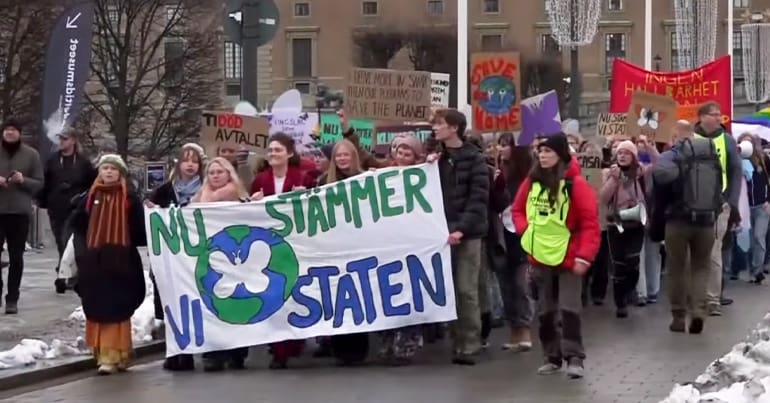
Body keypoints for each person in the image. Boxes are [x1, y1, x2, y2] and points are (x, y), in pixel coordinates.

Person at [512, 133, 600, 379]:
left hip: (569, 258)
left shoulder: (576, 185)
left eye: (548, 151)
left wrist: (584, 256)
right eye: (540, 151)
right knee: (545, 311)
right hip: (540, 257)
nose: (542, 155)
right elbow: (517, 209)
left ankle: (574, 357)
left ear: (560, 154)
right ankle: (552, 356)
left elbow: (590, 224)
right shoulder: (531, 182)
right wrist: (526, 232)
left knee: (569, 308)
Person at [68, 154, 146, 375]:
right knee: (97, 307)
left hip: (121, 260)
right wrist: (83, 254)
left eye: (113, 168)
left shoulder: (129, 198)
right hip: (94, 261)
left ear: (120, 173)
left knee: (117, 308)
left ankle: (116, 354)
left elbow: (140, 233)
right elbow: (77, 226)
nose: (109, 172)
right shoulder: (89, 197)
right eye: (105, 168)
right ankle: (103, 353)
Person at [250, 133, 314, 369]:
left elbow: (315, 208)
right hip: (270, 245)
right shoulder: (260, 180)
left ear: (289, 153)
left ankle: (294, 342)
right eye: (271, 150)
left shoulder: (302, 177)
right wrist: (253, 201)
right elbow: (248, 211)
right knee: (275, 292)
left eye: (278, 150)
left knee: (295, 291)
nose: (273, 154)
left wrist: (304, 197)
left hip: (297, 244)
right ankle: (278, 349)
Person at [430, 108, 489, 365]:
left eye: (440, 124)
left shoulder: (474, 159)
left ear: (454, 128)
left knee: (466, 289)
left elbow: (478, 199)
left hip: (468, 234)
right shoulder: (436, 159)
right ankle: (456, 340)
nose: (435, 128)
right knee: (450, 289)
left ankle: (470, 342)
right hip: (442, 232)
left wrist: (461, 229)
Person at [651, 134, 721, 334]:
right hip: (706, 222)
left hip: (677, 222)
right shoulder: (712, 162)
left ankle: (678, 317)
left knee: (676, 269)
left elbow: (660, 188)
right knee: (701, 268)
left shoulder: (674, 160)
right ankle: (699, 311)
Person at [145, 143, 206, 372]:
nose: (190, 165)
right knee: (171, 302)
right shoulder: (164, 190)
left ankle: (189, 350)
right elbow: (152, 217)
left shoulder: (206, 189)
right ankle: (175, 350)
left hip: (193, 257)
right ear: (178, 164)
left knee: (191, 301)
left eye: (195, 161)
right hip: (170, 257)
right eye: (186, 160)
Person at [191, 157, 250, 371]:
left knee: (235, 304)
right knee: (213, 305)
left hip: (235, 257)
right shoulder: (199, 198)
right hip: (210, 259)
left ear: (228, 174)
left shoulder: (239, 197)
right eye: (211, 172)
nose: (215, 176)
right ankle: (214, 352)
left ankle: (236, 352)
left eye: (219, 172)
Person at [316, 139, 370, 366]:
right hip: (334, 248)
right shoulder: (322, 182)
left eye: (346, 155)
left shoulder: (365, 179)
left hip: (359, 246)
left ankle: (359, 347)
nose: (342, 159)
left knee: (360, 295)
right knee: (338, 297)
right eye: (338, 156)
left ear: (354, 156)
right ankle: (338, 346)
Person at [378, 135, 426, 365]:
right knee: (390, 291)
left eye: (408, 154)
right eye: (400, 153)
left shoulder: (425, 176)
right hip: (390, 244)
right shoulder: (382, 176)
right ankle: (388, 339)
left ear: (416, 157)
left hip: (413, 243)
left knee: (410, 292)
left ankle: (408, 341)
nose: (403, 157)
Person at [693, 101, 741, 316]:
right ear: (702, 117)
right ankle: (695, 296)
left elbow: (735, 171)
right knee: (693, 252)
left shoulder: (727, 140)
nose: (719, 117)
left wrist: (731, 201)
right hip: (692, 204)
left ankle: (713, 299)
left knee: (714, 253)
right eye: (714, 114)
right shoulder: (690, 140)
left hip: (718, 204)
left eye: (719, 114)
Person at [37, 127, 97, 294]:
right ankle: (65, 273)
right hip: (57, 207)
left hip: (76, 207)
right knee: (60, 241)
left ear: (73, 140)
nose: (62, 142)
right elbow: (45, 182)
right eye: (60, 139)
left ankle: (68, 274)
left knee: (73, 240)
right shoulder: (53, 161)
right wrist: (41, 200)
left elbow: (92, 183)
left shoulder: (83, 162)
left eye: (65, 139)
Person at [0, 118, 44, 314]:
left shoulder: (31, 154)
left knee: (17, 257)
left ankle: (12, 298)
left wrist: (22, 180)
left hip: (19, 212)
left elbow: (39, 183)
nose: (9, 133)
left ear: (19, 133)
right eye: (6, 129)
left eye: (13, 130)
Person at [599, 140, 647, 318]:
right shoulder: (609, 173)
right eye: (620, 153)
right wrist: (614, 180)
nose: (623, 156)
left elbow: (658, 165)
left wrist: (648, 147)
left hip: (636, 223)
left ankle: (630, 290)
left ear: (633, 156)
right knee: (618, 266)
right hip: (616, 224)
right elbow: (602, 198)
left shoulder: (640, 172)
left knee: (633, 262)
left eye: (627, 153)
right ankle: (620, 303)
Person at [494, 133, 534, 351]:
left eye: (506, 145)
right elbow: (496, 205)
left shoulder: (529, 179)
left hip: (523, 236)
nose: (501, 149)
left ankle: (525, 328)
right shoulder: (498, 177)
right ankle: (514, 331)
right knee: (506, 288)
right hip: (502, 237)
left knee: (521, 286)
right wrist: (497, 184)